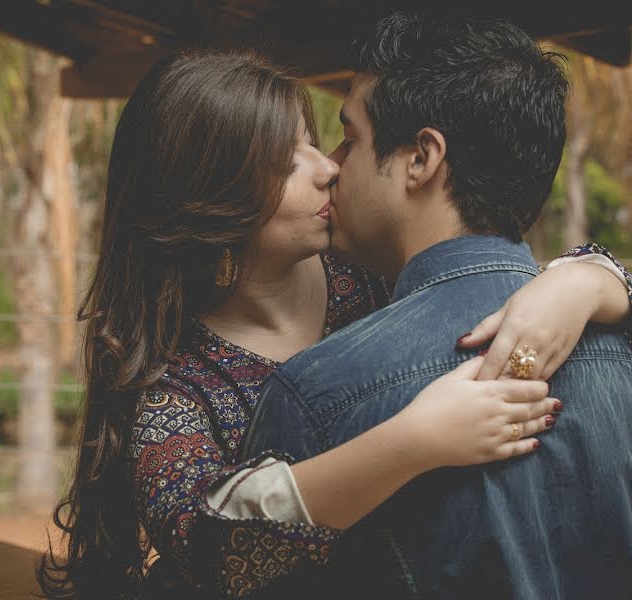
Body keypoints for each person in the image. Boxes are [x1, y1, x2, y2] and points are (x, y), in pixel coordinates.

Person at [37, 49, 632, 599]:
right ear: (209, 196)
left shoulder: (369, 275)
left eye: (317, 141)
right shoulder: (177, 385)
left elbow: (478, 278)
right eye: (284, 161)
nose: (328, 168)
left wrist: (586, 280)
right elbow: (206, 541)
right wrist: (411, 443)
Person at [241, 13, 632, 599]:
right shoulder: (617, 346)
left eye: (350, 137)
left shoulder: (318, 394)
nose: (333, 164)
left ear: (421, 159)